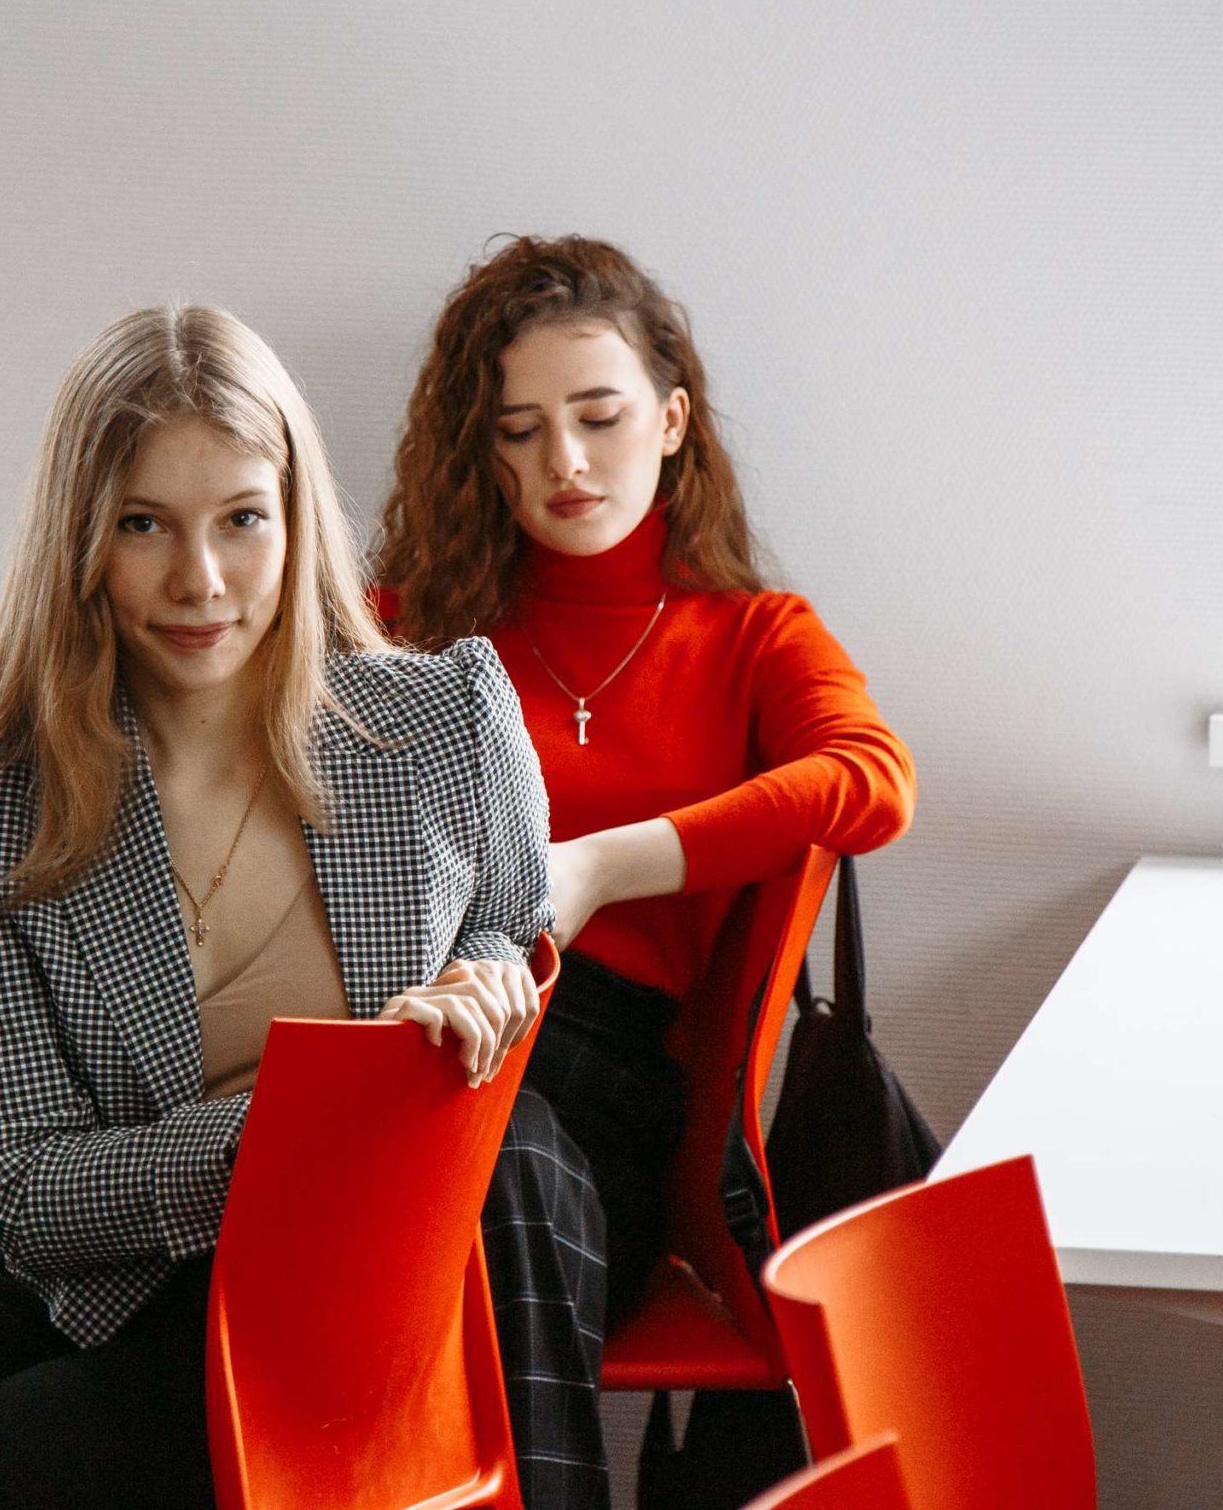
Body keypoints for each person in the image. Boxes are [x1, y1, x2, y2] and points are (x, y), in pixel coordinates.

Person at [0, 304, 578, 1509]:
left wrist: (484, 982)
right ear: (82, 540)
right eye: (143, 524)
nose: (198, 580)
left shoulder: (442, 722)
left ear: (294, 518)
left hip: (348, 1303)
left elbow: (511, 929)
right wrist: (297, 1128)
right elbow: (28, 1193)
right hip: (126, 1283)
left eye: (241, 520)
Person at [374, 235, 917, 1472]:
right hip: (405, 1040)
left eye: (598, 417)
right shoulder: (409, 631)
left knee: (504, 1177)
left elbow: (872, 781)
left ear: (670, 420)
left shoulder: (751, 638)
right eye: (517, 431)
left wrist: (601, 867)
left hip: (598, 1092)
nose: (562, 463)